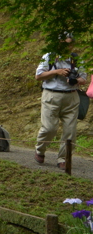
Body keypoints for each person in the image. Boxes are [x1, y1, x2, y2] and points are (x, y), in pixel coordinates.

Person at [35, 33, 88, 168]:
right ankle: (40, 150)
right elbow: (39, 76)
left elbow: (83, 79)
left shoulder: (76, 59)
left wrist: (75, 80)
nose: (67, 46)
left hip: (71, 96)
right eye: (64, 43)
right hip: (51, 95)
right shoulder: (49, 56)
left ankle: (63, 159)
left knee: (70, 130)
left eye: (69, 43)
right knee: (49, 128)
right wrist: (56, 72)